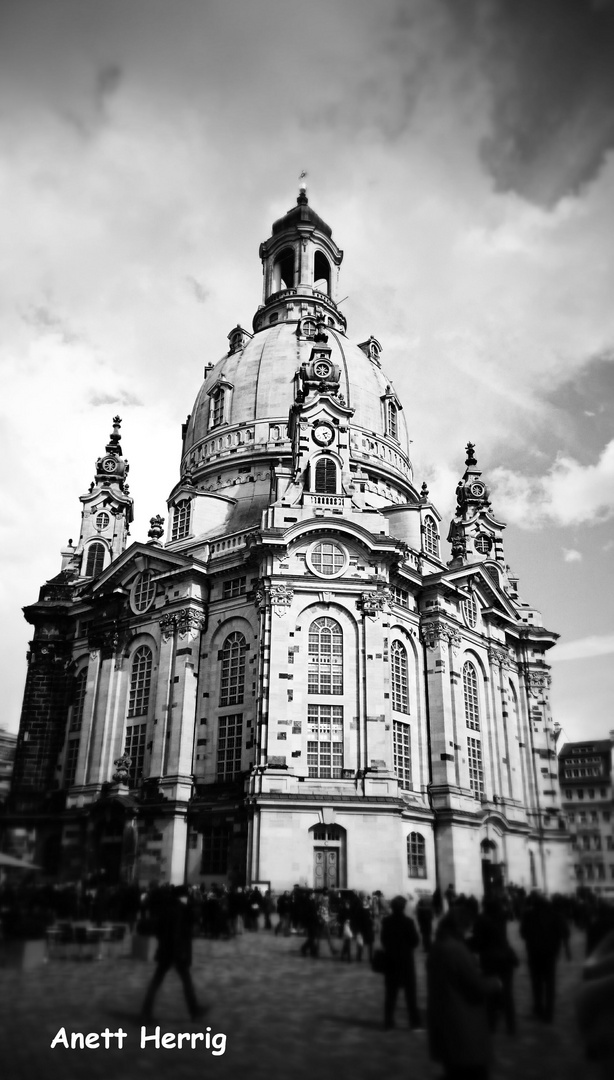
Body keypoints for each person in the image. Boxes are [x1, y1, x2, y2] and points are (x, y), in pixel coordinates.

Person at [427, 904, 500, 1080]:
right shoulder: (456, 949)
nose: (471, 930)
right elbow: (476, 985)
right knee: (472, 1073)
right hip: (463, 1025)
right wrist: (495, 982)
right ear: (461, 925)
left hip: (445, 1020)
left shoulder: (438, 945)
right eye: (469, 926)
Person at [140, 885, 205, 1023]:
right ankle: (194, 1010)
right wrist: (180, 950)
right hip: (176, 950)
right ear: (182, 897)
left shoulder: (167, 908)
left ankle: (146, 1011)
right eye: (186, 896)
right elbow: (177, 932)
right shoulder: (180, 910)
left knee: (158, 981)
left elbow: (159, 929)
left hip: (166, 949)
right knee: (184, 981)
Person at [470, 897, 518, 1034]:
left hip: (490, 960)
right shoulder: (501, 917)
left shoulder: (481, 920)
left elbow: (478, 941)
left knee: (491, 992)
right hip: (506, 957)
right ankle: (511, 1026)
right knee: (507, 993)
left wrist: (466, 944)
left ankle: (491, 1025)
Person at [520, 893, 570, 1023]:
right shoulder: (556, 915)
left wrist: (533, 939)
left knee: (536, 982)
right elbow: (563, 932)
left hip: (534, 952)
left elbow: (523, 933)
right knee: (550, 983)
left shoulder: (528, 915)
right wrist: (566, 948)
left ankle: (538, 1008)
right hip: (550, 953)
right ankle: (549, 1013)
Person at [380, 894, 422, 1030]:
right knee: (410, 995)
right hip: (406, 962)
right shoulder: (408, 922)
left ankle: (388, 1022)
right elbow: (415, 941)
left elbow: (383, 940)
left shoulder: (386, 921)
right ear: (403, 907)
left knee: (390, 994)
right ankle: (414, 1022)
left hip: (391, 960)